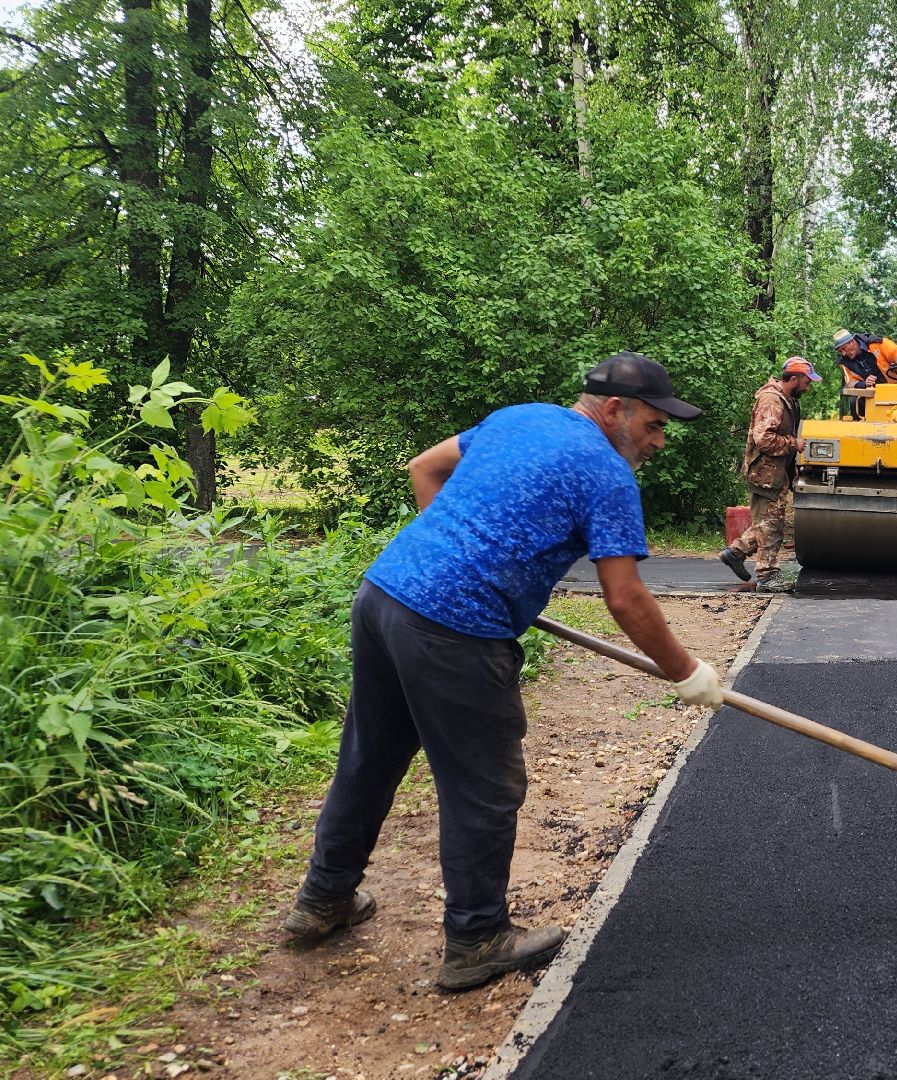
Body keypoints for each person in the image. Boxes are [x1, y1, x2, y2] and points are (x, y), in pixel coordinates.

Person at [281, 351, 727, 992]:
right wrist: (687, 673)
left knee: (370, 756)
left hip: (383, 597)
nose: (658, 442)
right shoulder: (606, 474)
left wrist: (452, 554)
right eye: (654, 425)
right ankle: (476, 938)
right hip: (453, 630)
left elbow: (424, 468)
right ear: (614, 410)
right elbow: (626, 597)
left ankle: (323, 900)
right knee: (483, 786)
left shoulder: (520, 417)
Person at [719, 356, 819, 592]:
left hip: (774, 472)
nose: (809, 386)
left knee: (769, 522)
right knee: (771, 526)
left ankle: (736, 552)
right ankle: (767, 576)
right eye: (807, 381)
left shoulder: (787, 400)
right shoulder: (772, 401)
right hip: (764, 474)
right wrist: (793, 444)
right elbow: (763, 439)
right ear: (793, 378)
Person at [833, 330, 897, 416]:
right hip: (874, 395)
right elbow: (850, 383)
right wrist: (865, 383)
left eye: (844, 349)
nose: (844, 353)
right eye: (841, 351)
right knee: (855, 403)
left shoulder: (878, 343)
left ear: (852, 341)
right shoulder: (845, 363)